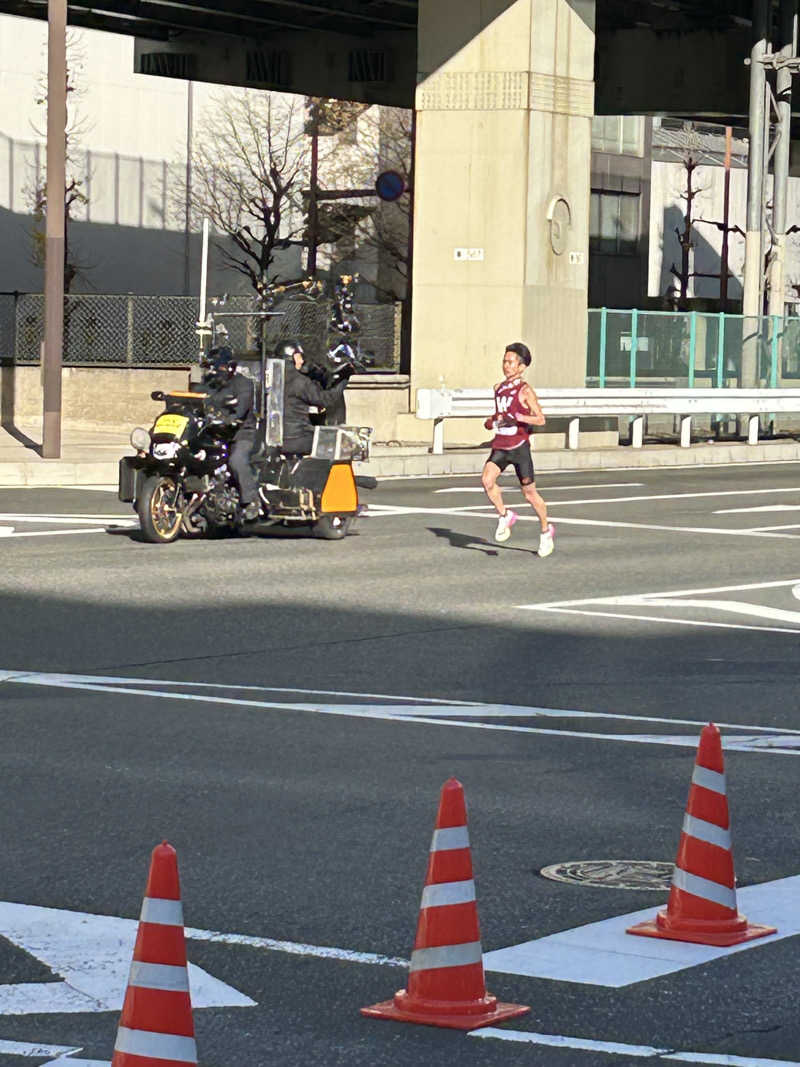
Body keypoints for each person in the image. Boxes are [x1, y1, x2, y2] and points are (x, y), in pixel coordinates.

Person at [481, 342, 555, 558]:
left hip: (519, 447)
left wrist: (520, 417)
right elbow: (499, 415)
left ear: (521, 367)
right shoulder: (498, 388)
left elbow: (540, 419)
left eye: (511, 362)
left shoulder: (525, 391)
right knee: (487, 480)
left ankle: (545, 531)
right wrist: (491, 421)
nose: (506, 366)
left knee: (529, 494)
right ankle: (505, 515)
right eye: (504, 361)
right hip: (501, 445)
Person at [201, 346, 260, 521]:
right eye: (211, 368)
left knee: (236, 460)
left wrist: (227, 418)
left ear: (230, 367)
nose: (214, 371)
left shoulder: (243, 384)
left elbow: (239, 410)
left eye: (218, 367)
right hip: (212, 432)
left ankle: (250, 501)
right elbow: (195, 399)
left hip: (241, 432)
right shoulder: (208, 385)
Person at [274, 340, 354, 455]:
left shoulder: (271, 377)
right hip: (297, 437)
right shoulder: (299, 381)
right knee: (339, 442)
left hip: (274, 439)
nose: (302, 361)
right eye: (300, 356)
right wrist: (344, 380)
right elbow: (326, 400)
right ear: (294, 357)